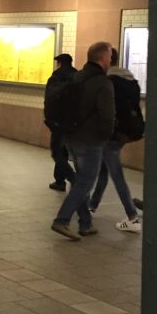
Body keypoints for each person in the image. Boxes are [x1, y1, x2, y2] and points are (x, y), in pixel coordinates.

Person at [50, 41, 115, 241]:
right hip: (90, 141)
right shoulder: (103, 82)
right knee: (85, 182)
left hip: (71, 137)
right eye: (110, 57)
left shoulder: (77, 77)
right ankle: (62, 220)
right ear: (103, 58)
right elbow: (107, 116)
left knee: (80, 180)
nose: (111, 60)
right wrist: (106, 137)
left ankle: (85, 224)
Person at [87, 47, 144, 233]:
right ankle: (92, 205)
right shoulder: (131, 80)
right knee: (104, 169)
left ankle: (132, 217)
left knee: (116, 174)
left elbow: (106, 110)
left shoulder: (109, 81)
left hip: (111, 133)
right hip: (126, 132)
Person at [44, 52, 78, 191]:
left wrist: (49, 119)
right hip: (74, 121)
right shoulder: (78, 76)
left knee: (57, 152)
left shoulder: (55, 77)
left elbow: (49, 100)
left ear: (59, 63)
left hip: (58, 122)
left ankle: (69, 179)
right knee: (71, 152)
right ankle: (63, 180)